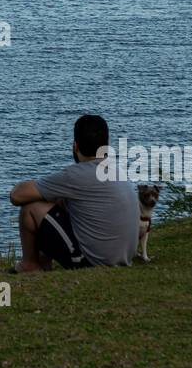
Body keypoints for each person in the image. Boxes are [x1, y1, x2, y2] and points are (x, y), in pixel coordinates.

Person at [8, 114, 138, 273]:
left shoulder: (76, 175)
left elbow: (17, 195)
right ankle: (43, 262)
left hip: (94, 262)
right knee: (61, 203)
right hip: (123, 257)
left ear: (75, 146)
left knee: (31, 208)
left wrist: (46, 192)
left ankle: (29, 265)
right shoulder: (116, 171)